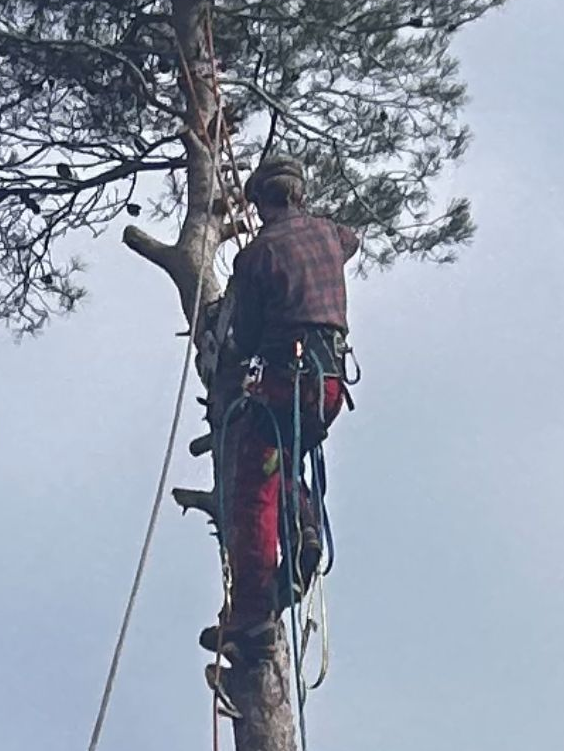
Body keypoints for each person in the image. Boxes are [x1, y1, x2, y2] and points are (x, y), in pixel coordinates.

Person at [201, 155, 359, 658]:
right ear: (300, 195)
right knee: (280, 459)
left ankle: (250, 615)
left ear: (263, 203)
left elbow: (244, 337)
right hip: (328, 386)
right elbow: (349, 240)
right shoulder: (332, 235)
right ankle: (305, 528)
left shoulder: (257, 256)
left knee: (252, 484)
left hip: (286, 383)